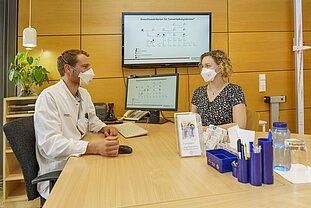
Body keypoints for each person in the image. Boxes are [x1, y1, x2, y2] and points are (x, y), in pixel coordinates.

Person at [34, 49, 119, 201]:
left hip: (80, 160)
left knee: (113, 180)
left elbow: (91, 120)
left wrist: (104, 127)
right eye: (85, 67)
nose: (90, 71)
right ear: (68, 69)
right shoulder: (49, 97)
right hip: (60, 169)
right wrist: (92, 147)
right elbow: (52, 145)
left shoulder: (84, 94)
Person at [191, 50, 246, 129]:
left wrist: (207, 129)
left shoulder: (234, 91)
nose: (204, 70)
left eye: (208, 66)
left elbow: (240, 125)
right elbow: (192, 123)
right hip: (203, 139)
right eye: (202, 66)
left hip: (225, 139)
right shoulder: (198, 92)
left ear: (220, 67)